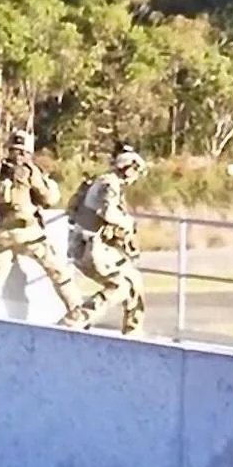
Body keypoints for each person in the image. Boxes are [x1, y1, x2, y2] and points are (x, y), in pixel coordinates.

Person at [0, 130, 85, 318]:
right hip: (29, 234)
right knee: (58, 271)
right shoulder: (29, 171)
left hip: (1, 235)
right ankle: (77, 311)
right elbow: (50, 199)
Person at [59, 144, 150, 336]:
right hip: (92, 248)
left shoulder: (101, 181)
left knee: (134, 280)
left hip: (90, 246)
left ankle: (133, 331)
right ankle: (78, 318)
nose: (136, 177)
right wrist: (127, 223)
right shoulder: (109, 184)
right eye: (136, 171)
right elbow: (107, 212)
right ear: (129, 168)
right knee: (121, 286)